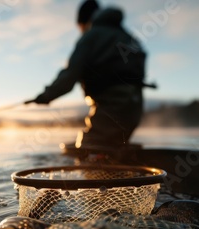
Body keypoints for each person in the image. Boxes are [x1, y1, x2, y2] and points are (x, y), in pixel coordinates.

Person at [29, 0, 149, 150]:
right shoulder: (128, 37)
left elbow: (69, 77)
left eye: (80, 27)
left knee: (89, 148)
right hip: (135, 108)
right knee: (114, 146)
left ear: (84, 21)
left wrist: (45, 96)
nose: (81, 31)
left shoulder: (91, 36)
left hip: (112, 107)